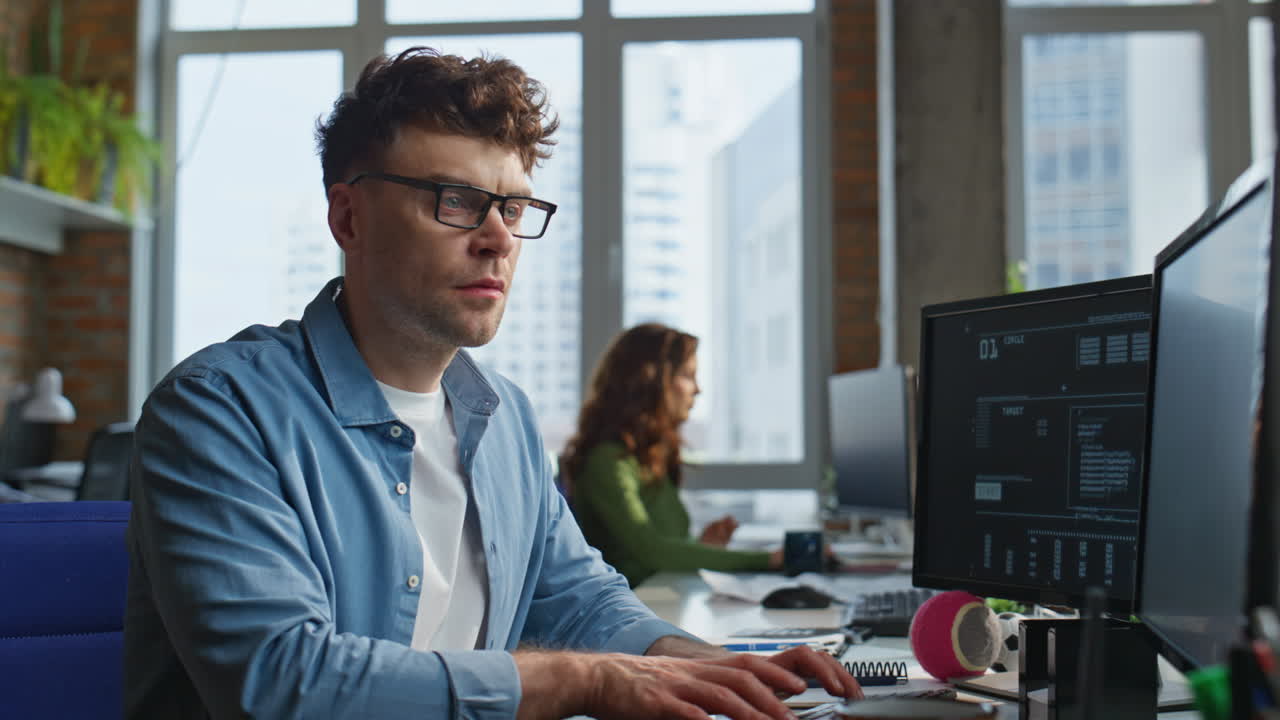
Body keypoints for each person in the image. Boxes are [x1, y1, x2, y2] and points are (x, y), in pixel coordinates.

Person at [124, 47, 859, 719]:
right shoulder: (219, 412)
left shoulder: (502, 417)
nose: (500, 237)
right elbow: (285, 682)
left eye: (512, 207)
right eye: (456, 200)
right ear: (348, 217)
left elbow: (578, 600)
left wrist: (707, 667)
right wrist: (587, 680)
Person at [562, 324, 784, 587]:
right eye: (688, 375)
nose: (697, 389)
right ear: (651, 380)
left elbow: (659, 549)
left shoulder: (648, 455)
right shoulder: (606, 461)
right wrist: (768, 560)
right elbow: (651, 552)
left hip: (660, 598)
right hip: (630, 610)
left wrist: (702, 548)